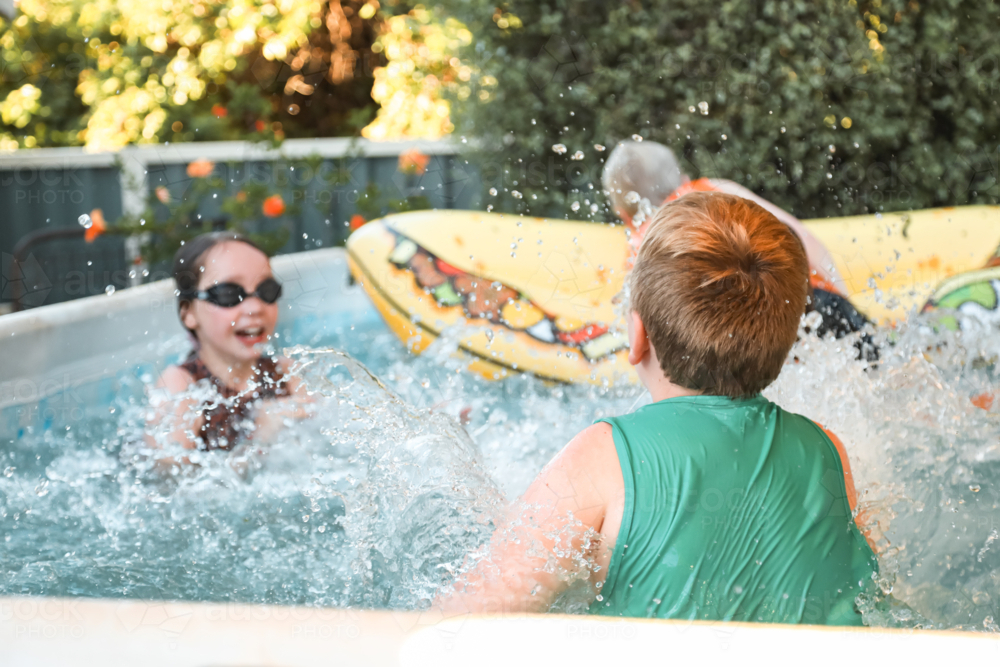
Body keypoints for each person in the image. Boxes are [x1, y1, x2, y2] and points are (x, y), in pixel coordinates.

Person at [436, 193, 878, 624]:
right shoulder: (828, 453)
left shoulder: (602, 455)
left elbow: (462, 625)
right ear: (786, 346)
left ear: (637, 336)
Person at [602, 140, 875, 350]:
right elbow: (802, 239)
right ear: (683, 178)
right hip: (812, 304)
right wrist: (845, 299)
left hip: (740, 343)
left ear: (623, 215)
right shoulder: (713, 189)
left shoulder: (643, 243)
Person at [148, 231, 307, 458]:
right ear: (188, 313)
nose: (255, 308)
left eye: (266, 291)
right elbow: (169, 481)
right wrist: (259, 441)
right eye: (229, 293)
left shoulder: (286, 373)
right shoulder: (180, 386)